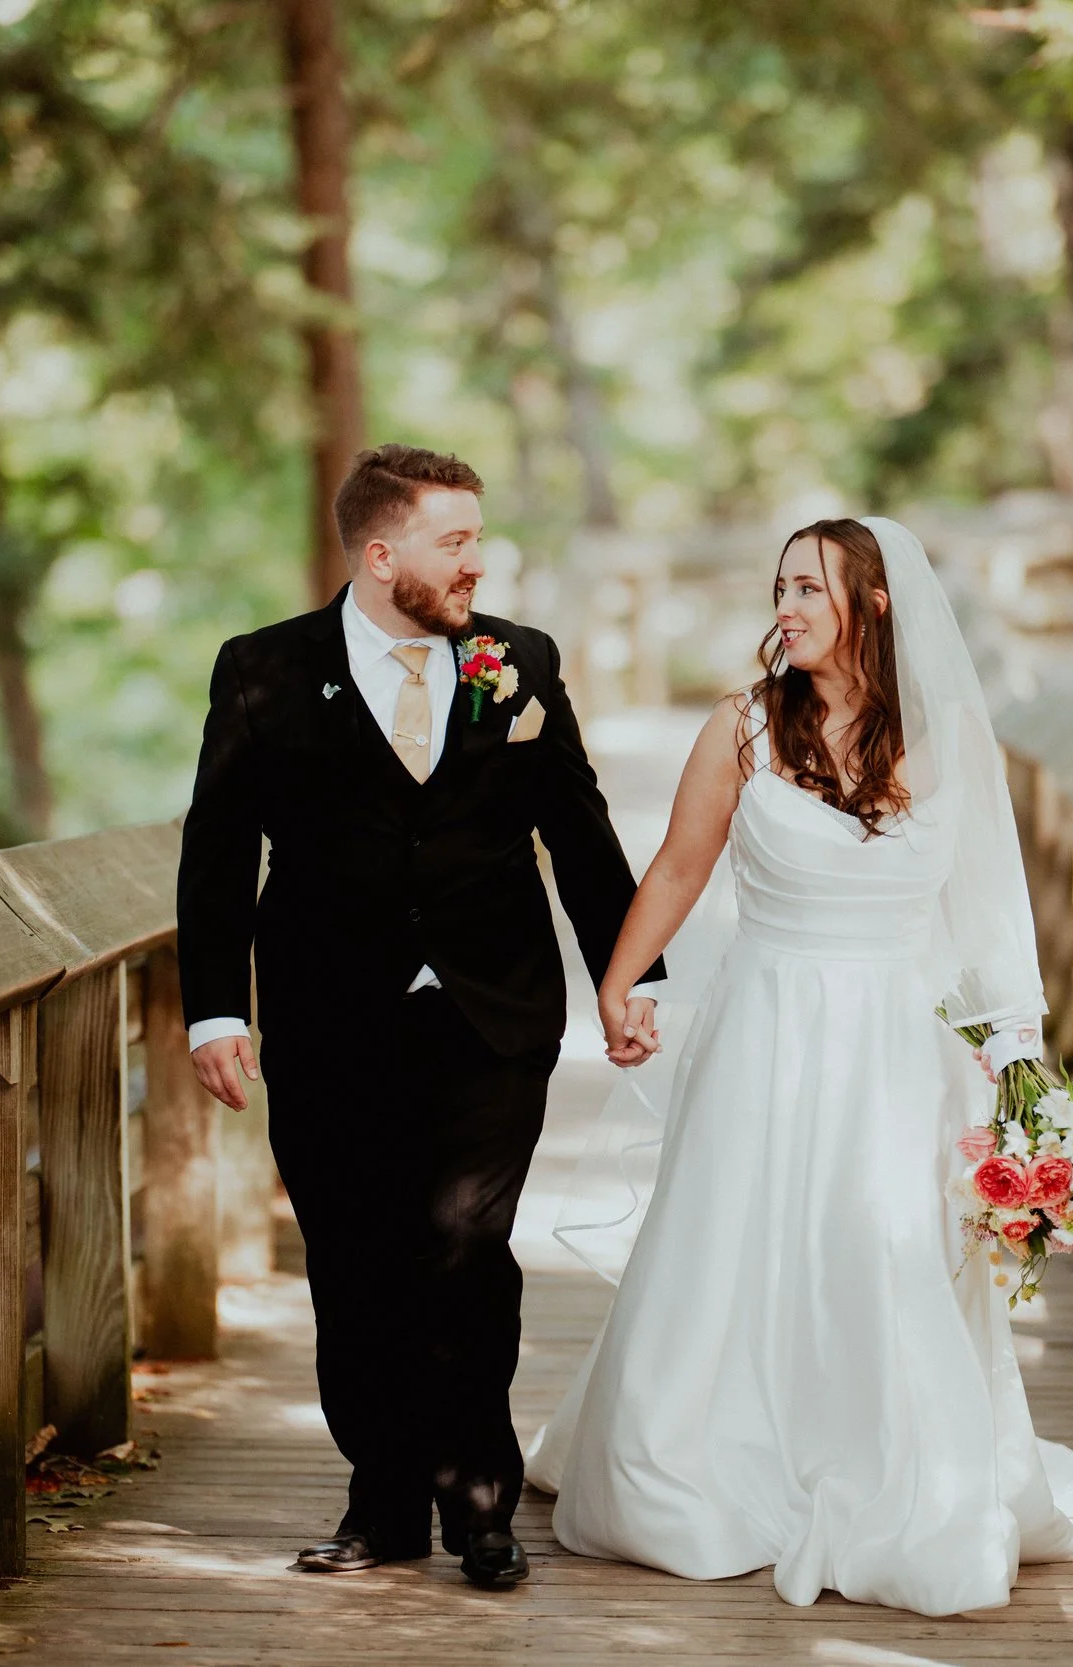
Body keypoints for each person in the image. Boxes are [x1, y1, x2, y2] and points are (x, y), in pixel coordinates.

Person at [525, 516, 1073, 1616]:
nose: (787, 607)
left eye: (809, 587)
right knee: (737, 1236)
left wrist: (1018, 1062)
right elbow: (675, 866)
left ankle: (901, 1473)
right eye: (779, 587)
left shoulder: (950, 735)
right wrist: (621, 981)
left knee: (884, 1246)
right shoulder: (744, 728)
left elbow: (989, 912)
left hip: (902, 1043)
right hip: (766, 1021)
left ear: (876, 599)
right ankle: (706, 1463)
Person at [177, 443, 661, 1589]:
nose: (476, 563)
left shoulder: (518, 661)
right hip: (327, 1013)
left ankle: (481, 1504)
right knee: (352, 1264)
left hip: (491, 1012)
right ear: (380, 552)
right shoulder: (262, 670)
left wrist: (632, 973)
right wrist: (212, 1010)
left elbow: (579, 830)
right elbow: (216, 849)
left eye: (477, 539)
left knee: (464, 1249)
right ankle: (384, 1498)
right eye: (454, 541)